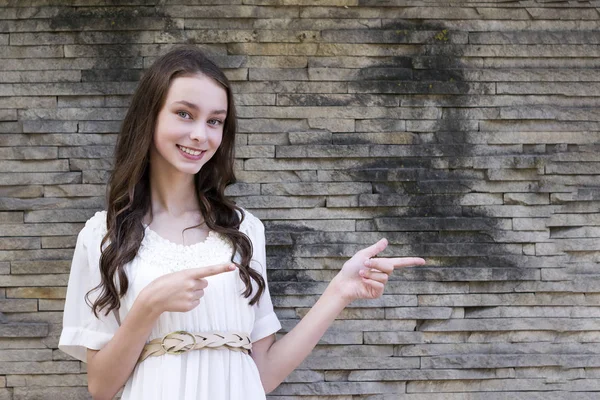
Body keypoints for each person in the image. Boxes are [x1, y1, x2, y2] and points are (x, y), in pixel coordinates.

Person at [58, 46, 426, 400]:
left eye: (214, 121)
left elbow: (262, 374)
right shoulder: (104, 236)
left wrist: (340, 291)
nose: (201, 134)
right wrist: (148, 307)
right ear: (150, 116)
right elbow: (100, 387)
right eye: (184, 114)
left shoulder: (243, 230)